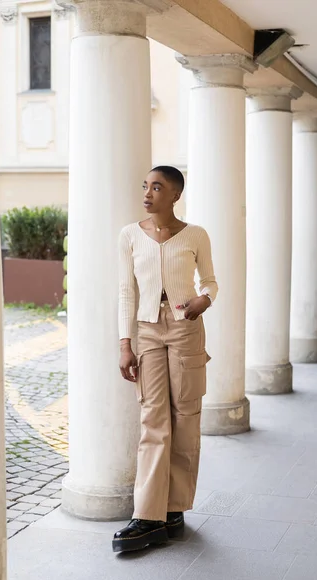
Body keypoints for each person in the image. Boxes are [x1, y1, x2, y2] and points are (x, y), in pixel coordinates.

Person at [112, 166, 218, 553]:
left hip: (186, 328)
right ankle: (148, 514)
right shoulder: (129, 235)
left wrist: (203, 300)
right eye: (146, 186)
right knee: (152, 416)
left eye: (158, 187)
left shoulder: (195, 235)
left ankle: (174, 510)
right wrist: (125, 344)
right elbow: (126, 291)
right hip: (149, 330)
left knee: (185, 417)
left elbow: (210, 281)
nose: (148, 192)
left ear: (175, 195)